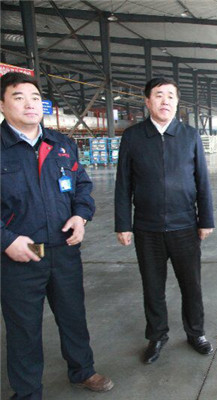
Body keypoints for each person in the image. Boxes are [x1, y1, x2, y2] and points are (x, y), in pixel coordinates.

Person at [1, 72, 113, 399]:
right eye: (19, 97)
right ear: (2, 105)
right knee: (24, 329)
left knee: (73, 316)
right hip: (20, 254)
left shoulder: (61, 144)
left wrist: (81, 216)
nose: (30, 104)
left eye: (35, 98)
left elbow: (83, 187)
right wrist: (6, 240)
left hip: (64, 250)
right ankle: (27, 393)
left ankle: (83, 370)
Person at [114, 77, 215, 364]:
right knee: (152, 286)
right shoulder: (133, 137)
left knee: (191, 285)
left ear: (177, 102)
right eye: (159, 95)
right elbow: (123, 183)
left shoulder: (189, 135)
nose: (165, 101)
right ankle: (157, 335)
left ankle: (196, 332)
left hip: (185, 226)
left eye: (171, 95)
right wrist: (123, 224)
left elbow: (202, 180)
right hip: (147, 227)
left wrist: (205, 219)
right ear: (148, 101)